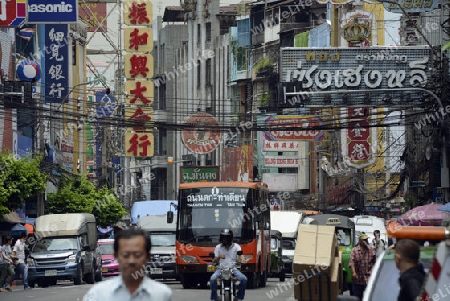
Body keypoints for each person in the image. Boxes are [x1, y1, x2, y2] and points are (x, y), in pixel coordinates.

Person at [83, 228, 172, 301]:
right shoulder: (97, 294)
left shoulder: (162, 295)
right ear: (116, 256)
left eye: (137, 255)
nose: (131, 261)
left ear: (148, 256)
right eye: (125, 255)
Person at [210, 229, 247, 301]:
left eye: (226, 237)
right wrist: (219, 257)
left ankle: (239, 297)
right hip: (220, 269)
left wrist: (243, 259)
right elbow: (214, 260)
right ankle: (214, 298)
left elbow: (240, 254)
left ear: (230, 238)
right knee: (212, 279)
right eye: (223, 237)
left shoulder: (236, 246)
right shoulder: (218, 247)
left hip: (233, 269)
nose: (225, 239)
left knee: (244, 279)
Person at [349, 233, 377, 300]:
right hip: (358, 279)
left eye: (366, 240)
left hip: (368, 278)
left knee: (368, 297)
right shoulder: (354, 250)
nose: (366, 241)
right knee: (357, 297)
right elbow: (351, 262)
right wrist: (354, 272)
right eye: (364, 240)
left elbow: (375, 262)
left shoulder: (371, 250)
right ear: (360, 241)